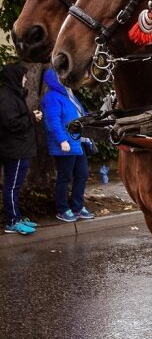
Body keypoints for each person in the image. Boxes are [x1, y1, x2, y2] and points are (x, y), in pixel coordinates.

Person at [41, 68, 95, 223]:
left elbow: (81, 116)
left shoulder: (70, 96)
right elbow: (52, 121)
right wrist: (61, 140)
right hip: (65, 144)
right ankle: (62, 209)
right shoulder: (52, 97)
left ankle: (78, 207)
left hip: (78, 143)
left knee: (82, 175)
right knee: (64, 178)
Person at [0, 64, 42, 234]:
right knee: (12, 186)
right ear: (15, 78)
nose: (26, 79)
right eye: (23, 76)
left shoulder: (13, 95)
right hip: (15, 149)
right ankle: (12, 221)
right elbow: (11, 123)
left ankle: (16, 216)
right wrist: (32, 117)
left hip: (19, 148)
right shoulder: (7, 97)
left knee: (15, 186)